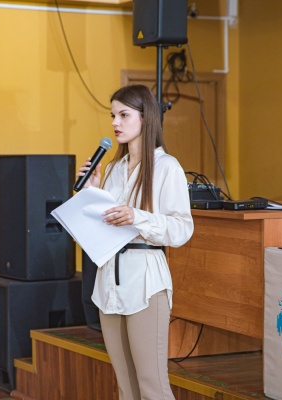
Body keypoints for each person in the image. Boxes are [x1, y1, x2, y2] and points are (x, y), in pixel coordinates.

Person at [77, 84, 194, 400]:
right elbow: (100, 229)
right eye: (112, 115)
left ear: (146, 117)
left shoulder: (166, 167)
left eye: (123, 115)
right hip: (108, 284)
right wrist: (91, 192)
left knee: (151, 385)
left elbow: (182, 229)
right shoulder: (113, 168)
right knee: (125, 387)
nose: (115, 122)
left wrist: (136, 217)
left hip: (145, 283)